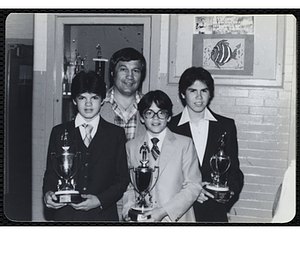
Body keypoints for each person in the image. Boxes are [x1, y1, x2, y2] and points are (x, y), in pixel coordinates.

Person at [43, 71, 129, 221]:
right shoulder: (59, 132)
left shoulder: (116, 134)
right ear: (74, 100)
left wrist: (100, 200)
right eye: (82, 97)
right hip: (66, 215)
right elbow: (51, 173)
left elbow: (122, 179)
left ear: (103, 100)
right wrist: (48, 194)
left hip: (103, 216)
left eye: (94, 98)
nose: (88, 104)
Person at [168, 67, 244, 222]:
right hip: (181, 212)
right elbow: (167, 174)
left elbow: (234, 171)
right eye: (192, 91)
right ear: (183, 94)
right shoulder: (171, 127)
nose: (199, 97)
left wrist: (227, 194)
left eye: (204, 91)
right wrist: (192, 193)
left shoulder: (226, 126)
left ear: (210, 94)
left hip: (214, 211)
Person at [123, 90, 202, 222]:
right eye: (149, 113)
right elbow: (130, 187)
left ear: (169, 117)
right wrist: (128, 211)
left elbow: (193, 186)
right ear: (142, 118)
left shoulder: (184, 144)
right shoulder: (131, 147)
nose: (155, 118)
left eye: (161, 113)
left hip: (175, 219)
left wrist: (163, 212)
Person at [100, 47, 147, 141]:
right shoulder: (98, 105)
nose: (130, 76)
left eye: (135, 71)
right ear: (113, 73)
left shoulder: (150, 106)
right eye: (123, 70)